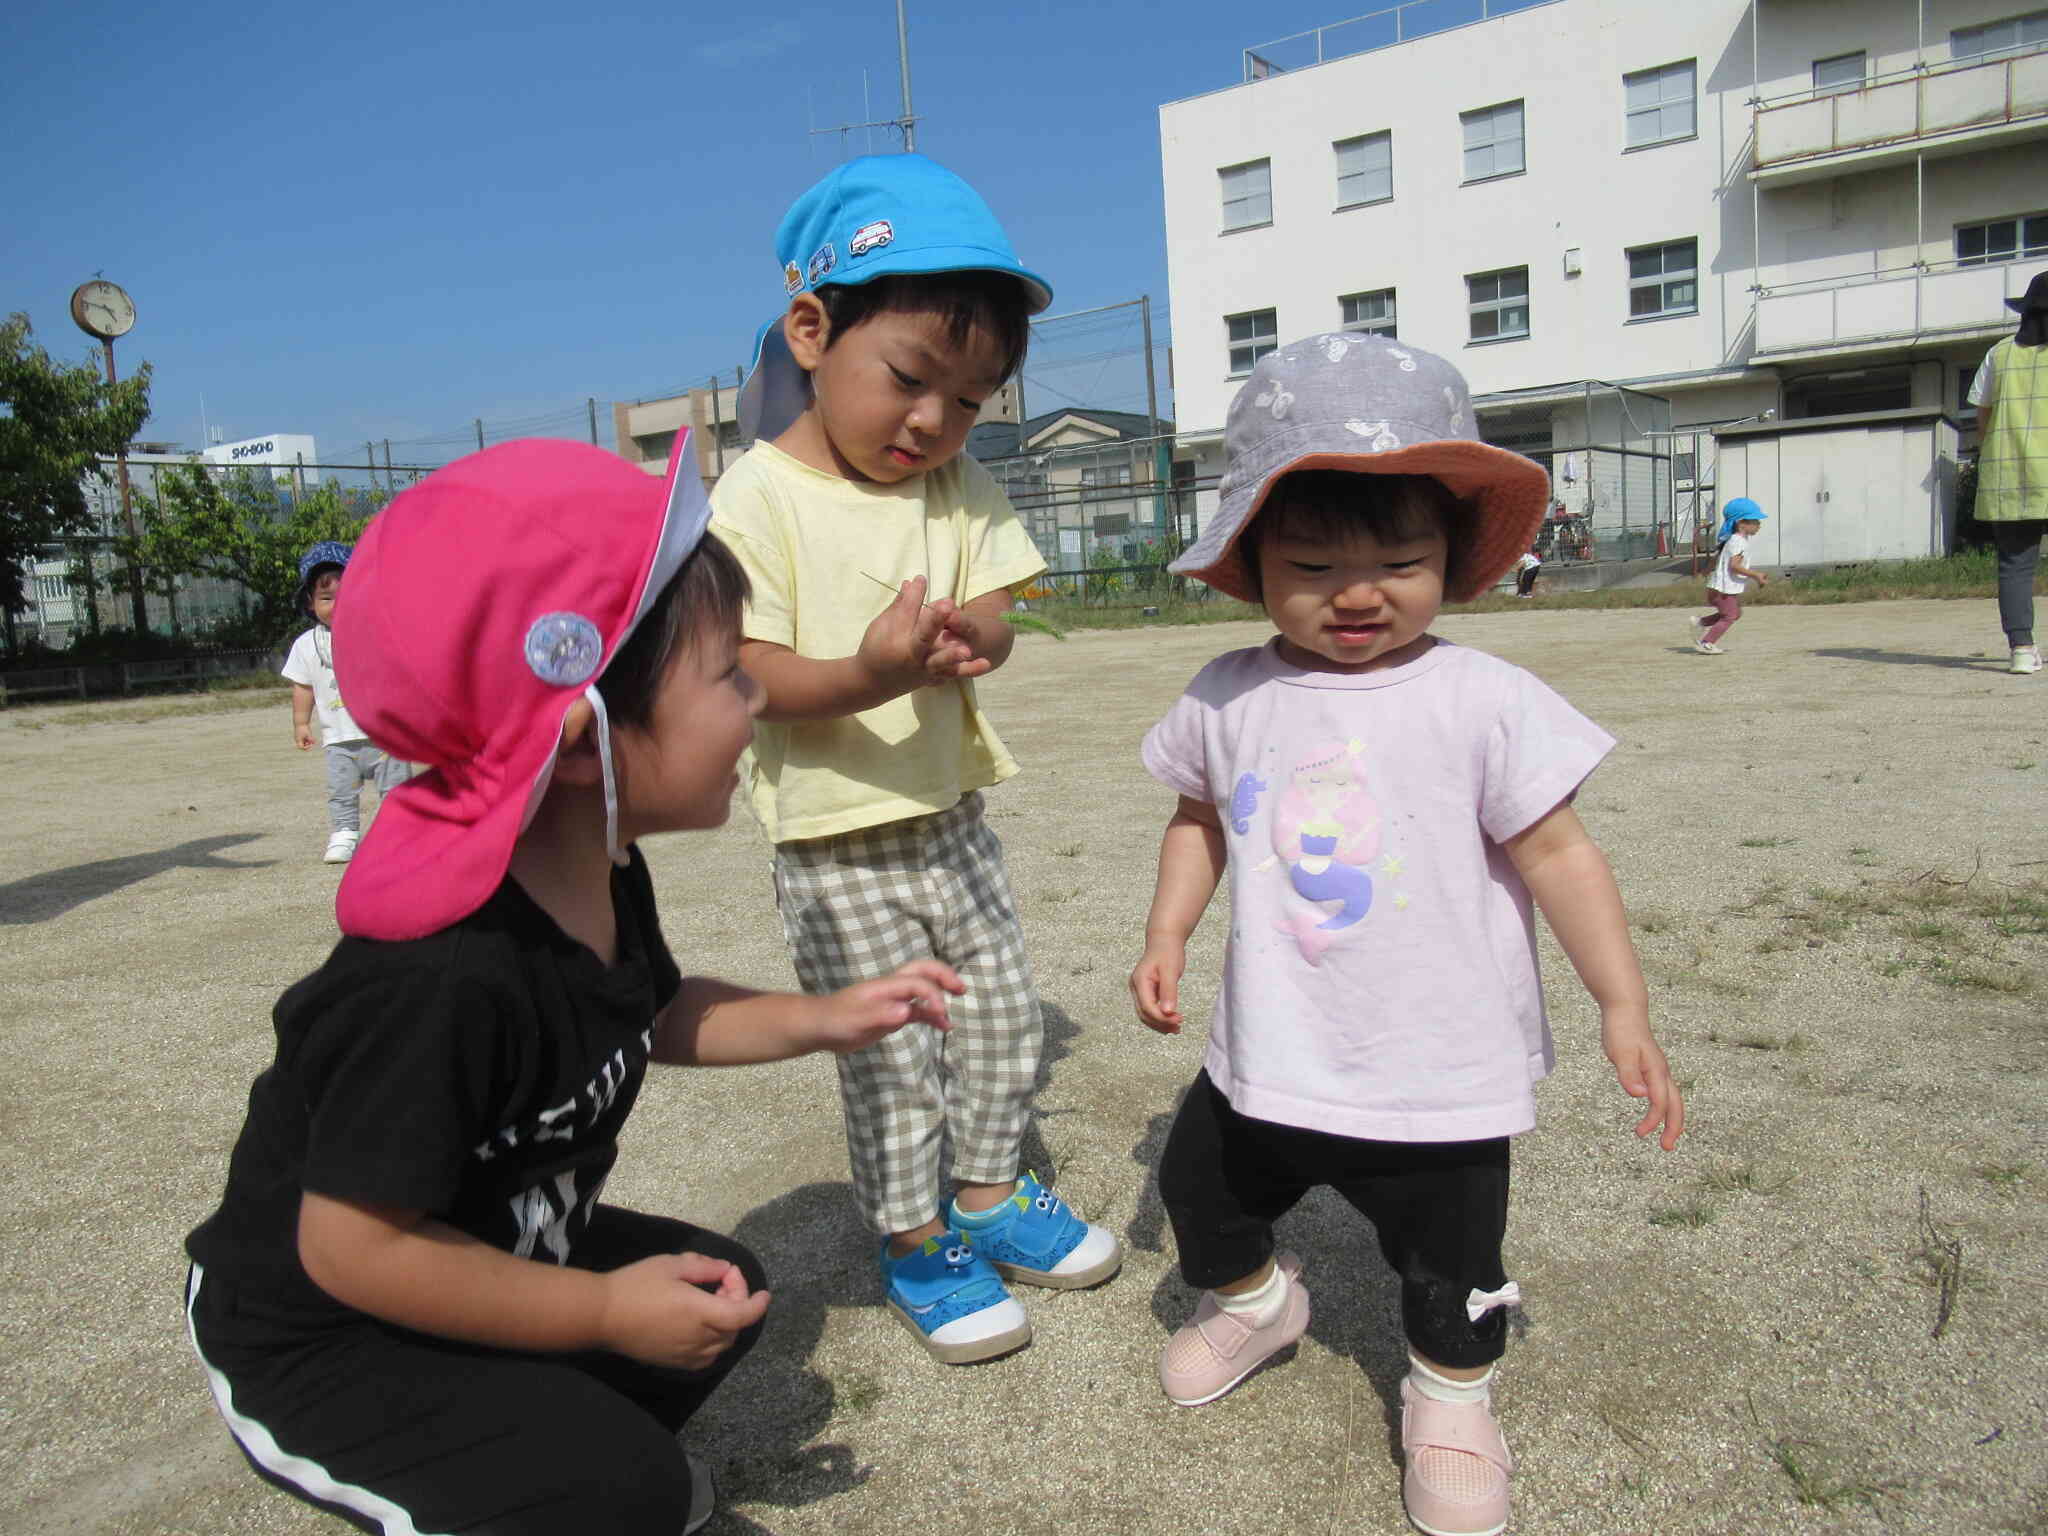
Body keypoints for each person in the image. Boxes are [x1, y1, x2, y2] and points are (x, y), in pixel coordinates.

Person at [184, 439, 966, 1535]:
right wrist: (597, 1309)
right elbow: (352, 1246)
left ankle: (546, 1446)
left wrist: (824, 1018)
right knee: (625, 1487)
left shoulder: (598, 867)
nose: (754, 701)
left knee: (714, 1289)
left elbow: (653, 1010)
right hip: (327, 1332)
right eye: (727, 674)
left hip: (492, 1253)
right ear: (584, 741)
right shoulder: (441, 979)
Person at [1128, 334, 1684, 1536]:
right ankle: (1262, 1303)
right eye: (1314, 563)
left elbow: (1559, 856)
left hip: (1438, 1065)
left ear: (1452, 559)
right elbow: (1196, 821)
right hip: (1268, 1046)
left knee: (1452, 1264)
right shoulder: (1227, 693)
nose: (1359, 592)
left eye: (1400, 560)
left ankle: (1449, 1396)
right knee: (1196, 1191)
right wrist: (1167, 929)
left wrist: (1620, 1003)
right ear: (1250, 559)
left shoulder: (1481, 700)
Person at [711, 153, 1122, 1366]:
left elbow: (1000, 599)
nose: (933, 422)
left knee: (997, 1018)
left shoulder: (958, 481)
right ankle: (912, 1238)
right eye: (907, 380)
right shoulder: (756, 499)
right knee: (891, 1053)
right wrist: (871, 673)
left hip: (949, 815)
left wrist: (968, 636)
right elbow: (747, 676)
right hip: (835, 841)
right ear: (809, 330)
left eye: (971, 397)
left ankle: (989, 1198)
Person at [280, 542, 407, 862]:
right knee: (341, 792)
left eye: (346, 593)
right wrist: (300, 723)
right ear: (311, 603)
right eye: (326, 598)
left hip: (384, 736)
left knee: (397, 791)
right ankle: (345, 832)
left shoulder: (379, 632)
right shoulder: (306, 645)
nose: (337, 605)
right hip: (338, 739)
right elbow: (303, 686)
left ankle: (399, 833)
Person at [1966, 269, 2048, 675]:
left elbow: (1981, 416)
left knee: (2016, 564)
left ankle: (2021, 648)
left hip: (2008, 473)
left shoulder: (1999, 354)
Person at [1691, 498, 1768, 654]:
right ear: (1741, 523)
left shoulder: (1735, 540)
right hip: (1723, 590)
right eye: (1755, 521)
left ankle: (1701, 622)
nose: (1759, 525)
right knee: (1730, 615)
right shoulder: (1737, 541)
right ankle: (1706, 643)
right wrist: (1756, 575)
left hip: (1721, 588)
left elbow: (1717, 559)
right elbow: (1734, 566)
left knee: (1735, 613)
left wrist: (1705, 573)